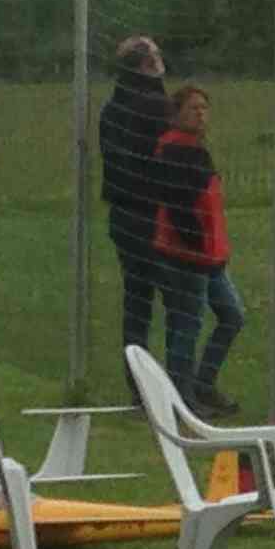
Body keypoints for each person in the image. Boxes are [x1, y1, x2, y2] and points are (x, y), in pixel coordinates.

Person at [151, 83, 245, 416]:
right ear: (176, 114)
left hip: (209, 257)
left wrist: (213, 249)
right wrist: (197, 244)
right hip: (187, 257)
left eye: (204, 108)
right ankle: (182, 399)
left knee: (232, 316)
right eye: (193, 108)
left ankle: (203, 383)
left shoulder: (194, 149)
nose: (201, 114)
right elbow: (179, 206)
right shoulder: (176, 151)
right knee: (186, 325)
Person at [99, 34, 173, 348]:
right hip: (156, 214)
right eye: (157, 55)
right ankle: (178, 373)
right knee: (180, 301)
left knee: (137, 300)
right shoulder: (157, 106)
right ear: (147, 64)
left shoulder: (111, 108)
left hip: (123, 214)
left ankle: (135, 369)